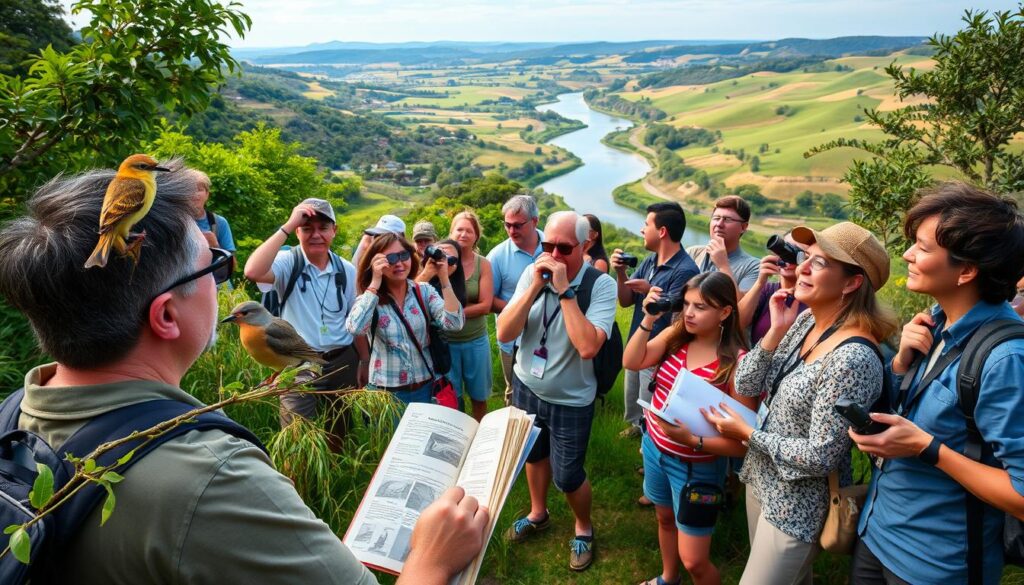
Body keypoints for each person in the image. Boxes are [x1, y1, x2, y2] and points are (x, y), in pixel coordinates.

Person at [0, 166, 488, 585]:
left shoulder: (12, 421)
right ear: (167, 316)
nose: (219, 284)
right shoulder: (216, 479)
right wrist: (429, 558)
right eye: (209, 269)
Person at [849, 183, 1024, 585]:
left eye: (923, 248)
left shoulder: (1005, 359)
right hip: (877, 534)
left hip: (936, 564)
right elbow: (917, 413)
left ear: (966, 270)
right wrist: (899, 364)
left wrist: (927, 449)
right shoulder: (935, 322)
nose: (908, 254)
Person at [705, 221, 897, 585]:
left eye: (820, 263)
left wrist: (748, 434)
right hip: (762, 480)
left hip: (797, 506)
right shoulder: (807, 319)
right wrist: (775, 332)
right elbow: (746, 381)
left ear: (852, 283)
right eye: (807, 256)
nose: (803, 267)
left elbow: (822, 455)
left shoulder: (852, 358)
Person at [496, 211, 616, 572]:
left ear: (585, 245)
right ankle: (538, 512)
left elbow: (587, 346)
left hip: (571, 399)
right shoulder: (532, 273)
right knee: (533, 456)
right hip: (527, 386)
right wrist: (534, 285)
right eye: (547, 245)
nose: (554, 254)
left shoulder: (600, 285)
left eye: (564, 247)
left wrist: (564, 290)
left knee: (567, 474)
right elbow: (504, 333)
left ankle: (583, 527)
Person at [624, 272, 756, 585]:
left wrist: (693, 440)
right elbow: (632, 361)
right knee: (664, 518)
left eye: (701, 307)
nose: (689, 313)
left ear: (725, 312)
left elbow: (742, 443)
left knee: (695, 560)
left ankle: (682, 574)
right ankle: (669, 579)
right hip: (655, 450)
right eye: (686, 304)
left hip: (697, 468)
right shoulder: (676, 336)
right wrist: (647, 318)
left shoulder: (737, 363)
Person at [244, 198, 368, 450]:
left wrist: (364, 361)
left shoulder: (345, 270)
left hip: (342, 358)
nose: (316, 235)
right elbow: (253, 271)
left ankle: (332, 479)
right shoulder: (288, 261)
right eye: (307, 228)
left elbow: (354, 322)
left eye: (323, 227)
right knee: (295, 433)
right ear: (297, 231)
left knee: (339, 428)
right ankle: (296, 484)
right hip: (298, 362)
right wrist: (288, 224)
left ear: (334, 231)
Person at [613, 201, 699, 439]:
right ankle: (636, 428)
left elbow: (677, 314)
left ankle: (651, 440)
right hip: (639, 340)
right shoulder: (650, 260)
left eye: (646, 224)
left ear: (662, 231)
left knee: (651, 404)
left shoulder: (686, 270)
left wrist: (650, 288)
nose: (642, 229)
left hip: (658, 351)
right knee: (633, 394)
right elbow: (626, 300)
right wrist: (621, 273)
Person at [346, 233, 464, 405]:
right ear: (377, 263)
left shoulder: (423, 291)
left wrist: (444, 279)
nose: (399, 263)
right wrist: (375, 282)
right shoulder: (371, 299)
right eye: (391, 259)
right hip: (387, 394)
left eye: (403, 255)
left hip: (425, 387)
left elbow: (454, 324)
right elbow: (356, 328)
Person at [487, 195, 544, 405]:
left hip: (548, 338)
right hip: (513, 340)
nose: (512, 231)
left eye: (518, 225)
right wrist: (522, 312)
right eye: (507, 225)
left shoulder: (553, 248)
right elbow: (489, 300)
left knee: (544, 389)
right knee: (515, 391)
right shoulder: (497, 256)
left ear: (535, 221)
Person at [448, 211, 495, 421]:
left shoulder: (482, 264)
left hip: (475, 340)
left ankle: (479, 441)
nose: (463, 234)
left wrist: (453, 314)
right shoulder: (442, 264)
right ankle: (458, 441)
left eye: (469, 230)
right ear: (451, 232)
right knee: (451, 399)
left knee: (479, 397)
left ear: (476, 235)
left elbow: (485, 305)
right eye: (459, 229)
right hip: (447, 343)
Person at [738, 230, 810, 347]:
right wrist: (760, 283)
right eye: (784, 247)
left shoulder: (814, 300)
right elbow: (736, 325)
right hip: (756, 362)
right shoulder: (767, 290)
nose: (787, 254)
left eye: (797, 251)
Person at [686, 196, 760, 292]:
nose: (719, 224)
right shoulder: (694, 253)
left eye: (727, 220)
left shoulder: (753, 267)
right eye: (716, 218)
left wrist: (723, 265)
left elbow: (741, 305)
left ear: (743, 227)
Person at [416, 238, 467, 307]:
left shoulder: (457, 291)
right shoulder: (418, 275)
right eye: (440, 249)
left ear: (455, 266)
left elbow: (451, 313)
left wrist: (444, 277)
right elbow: (406, 297)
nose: (443, 262)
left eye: (449, 259)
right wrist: (426, 274)